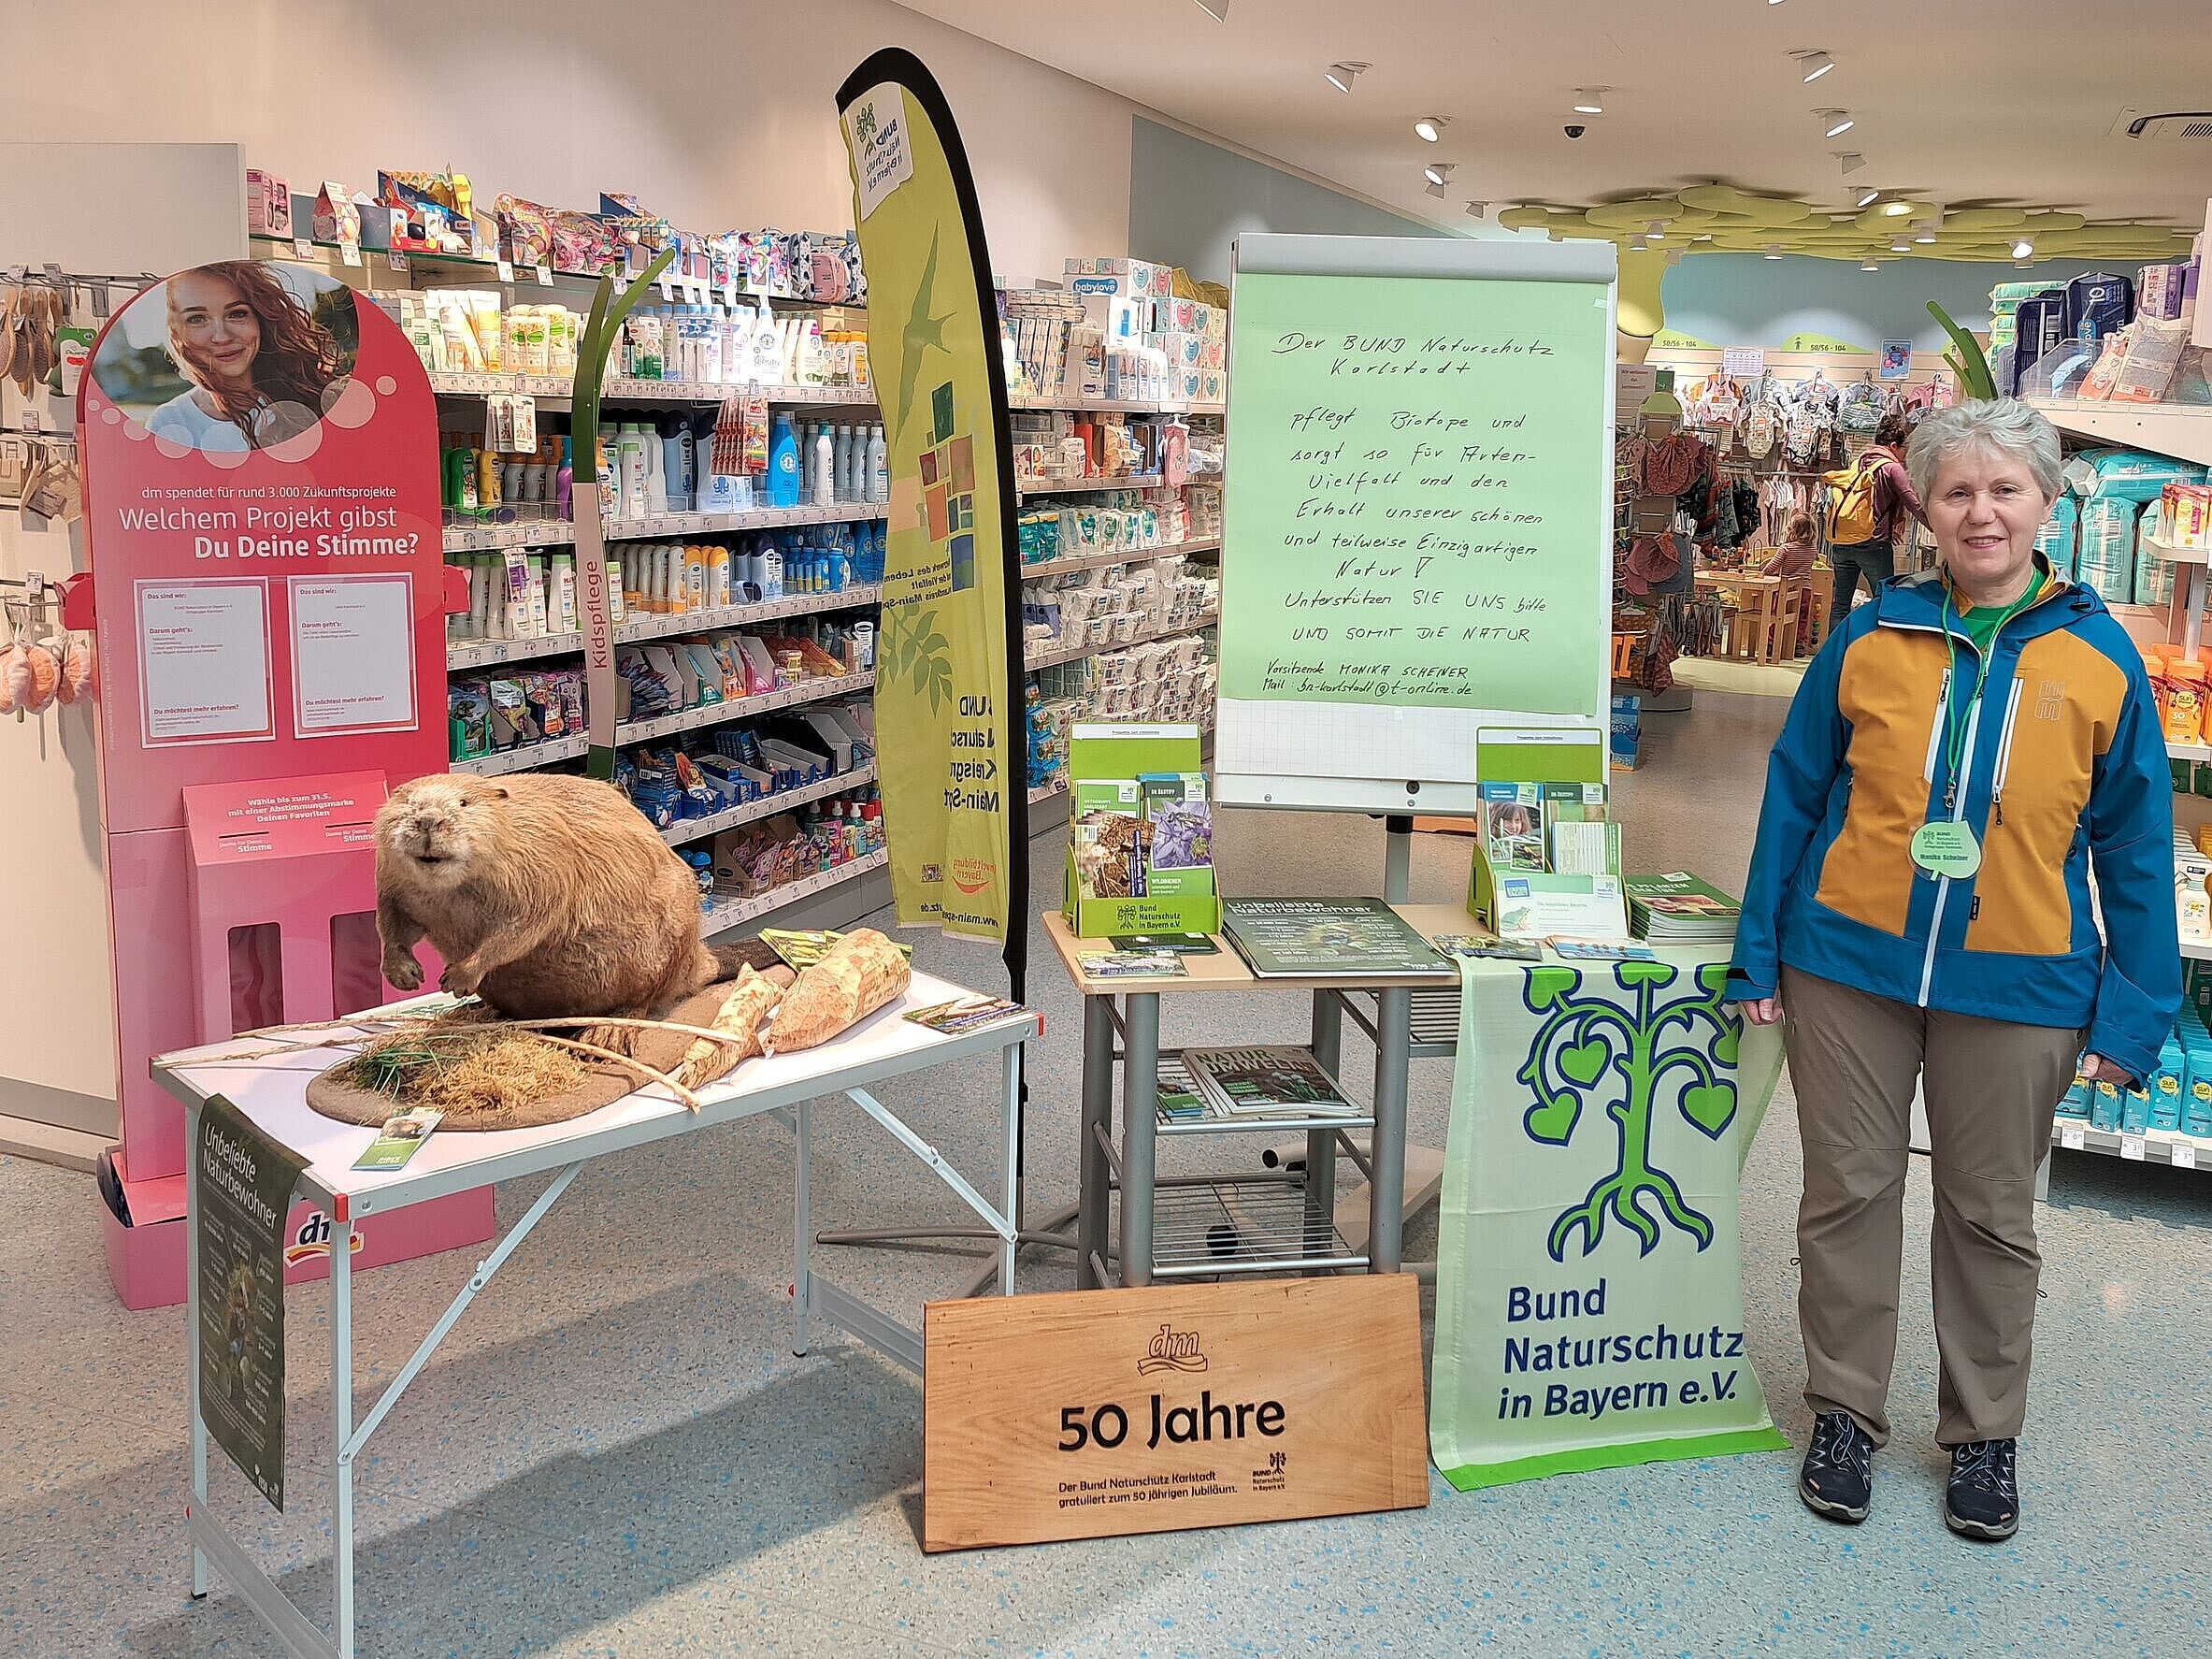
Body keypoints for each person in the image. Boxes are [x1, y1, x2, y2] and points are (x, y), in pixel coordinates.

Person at [1727, 398, 2177, 1542]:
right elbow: (1792, 795)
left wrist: (2132, 1015)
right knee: (1845, 1195)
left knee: (1987, 1215)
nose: (1980, 511)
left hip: (2020, 984)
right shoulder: (1870, 637)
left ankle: (1981, 1434)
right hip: (1846, 968)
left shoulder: (2099, 657)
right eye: (1956, 491)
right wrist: (1757, 955)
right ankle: (1843, 1412)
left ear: (2043, 502)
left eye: (2004, 489)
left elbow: (2132, 848)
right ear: (1922, 508)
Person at [146, 262, 343, 453]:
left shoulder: (314, 397)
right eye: (197, 319)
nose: (222, 336)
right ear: (176, 333)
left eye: (237, 314)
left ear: (260, 319)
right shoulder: (169, 424)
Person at [1826, 411, 1924, 612]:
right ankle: (1876, 643)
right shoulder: (1891, 468)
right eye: (1904, 449)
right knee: (1883, 601)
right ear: (1894, 446)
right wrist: (1939, 527)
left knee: (1841, 605)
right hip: (1873, 544)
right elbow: (1914, 503)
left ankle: (1838, 644)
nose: (1906, 456)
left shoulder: (1859, 462)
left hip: (1843, 542)